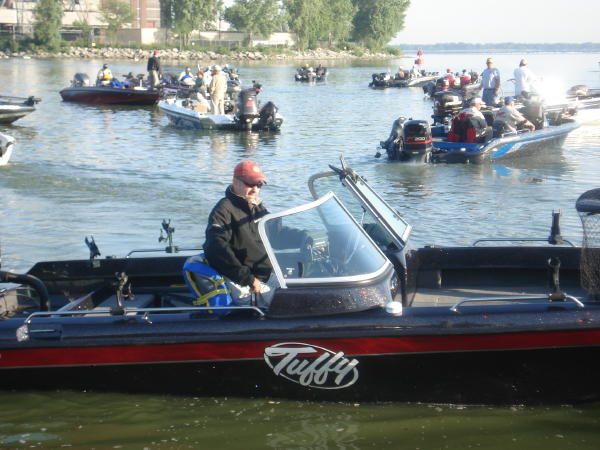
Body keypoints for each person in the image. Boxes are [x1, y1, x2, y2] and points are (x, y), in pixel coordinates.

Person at [203, 160, 308, 308]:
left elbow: (276, 234)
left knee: (308, 291)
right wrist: (248, 279)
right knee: (296, 304)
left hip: (267, 275)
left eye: (259, 185)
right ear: (235, 181)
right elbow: (215, 248)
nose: (255, 189)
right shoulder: (223, 210)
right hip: (246, 283)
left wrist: (306, 238)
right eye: (250, 184)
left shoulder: (257, 207)